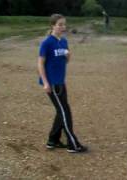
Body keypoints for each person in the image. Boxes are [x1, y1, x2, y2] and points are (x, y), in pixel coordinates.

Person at [37, 14, 88, 153]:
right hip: (52, 84)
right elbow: (40, 64)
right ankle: (73, 144)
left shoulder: (64, 41)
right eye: (59, 24)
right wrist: (46, 83)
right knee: (65, 112)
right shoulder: (47, 43)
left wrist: (68, 56)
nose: (63, 27)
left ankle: (52, 141)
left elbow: (64, 61)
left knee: (61, 111)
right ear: (52, 26)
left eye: (64, 24)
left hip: (60, 82)